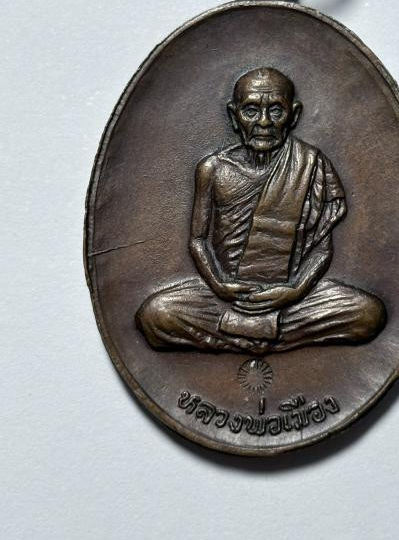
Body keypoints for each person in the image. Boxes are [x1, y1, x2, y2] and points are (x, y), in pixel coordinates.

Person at [137, 67, 386, 354]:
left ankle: (243, 338)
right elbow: (198, 240)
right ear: (234, 116)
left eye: (276, 111)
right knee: (156, 315)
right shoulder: (213, 169)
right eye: (252, 111)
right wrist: (219, 286)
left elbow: (321, 249)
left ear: (293, 116)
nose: (264, 122)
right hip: (228, 297)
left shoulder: (310, 164)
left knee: (368, 315)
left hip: (292, 300)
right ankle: (266, 338)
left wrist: (294, 291)